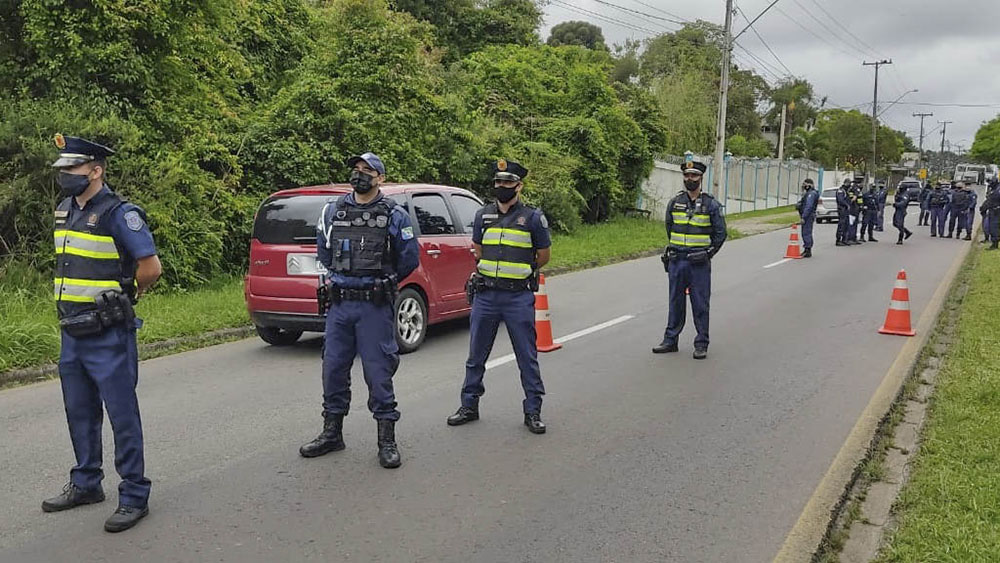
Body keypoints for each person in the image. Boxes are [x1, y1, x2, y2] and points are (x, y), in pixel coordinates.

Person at [44, 134, 162, 533]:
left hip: (108, 333)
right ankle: (86, 483)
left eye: (72, 168)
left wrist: (130, 294)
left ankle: (134, 495)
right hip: (71, 332)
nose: (65, 175)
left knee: (121, 414)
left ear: (96, 170)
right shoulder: (64, 210)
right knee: (79, 411)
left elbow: (150, 266)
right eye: (62, 168)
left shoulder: (119, 213)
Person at [302, 152, 420, 468]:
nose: (360, 174)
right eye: (356, 168)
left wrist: (382, 281)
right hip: (340, 304)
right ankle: (332, 433)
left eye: (368, 170)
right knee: (333, 368)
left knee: (378, 372)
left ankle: (386, 441)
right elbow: (324, 251)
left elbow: (409, 258)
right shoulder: (333, 210)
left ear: (381, 178)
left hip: (374, 306)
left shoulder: (395, 215)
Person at [448, 160, 552, 434]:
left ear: (519, 186)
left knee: (526, 356)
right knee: (476, 356)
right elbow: (478, 249)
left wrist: (519, 270)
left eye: (507, 182)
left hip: (517, 297)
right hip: (486, 296)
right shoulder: (482, 216)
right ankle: (469, 406)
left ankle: (533, 411)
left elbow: (543, 255)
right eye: (498, 182)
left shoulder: (532, 218)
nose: (501, 186)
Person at [652, 161, 727, 360]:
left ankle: (701, 343)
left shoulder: (711, 204)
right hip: (677, 261)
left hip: (698, 263)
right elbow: (669, 228)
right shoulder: (675, 202)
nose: (690, 179)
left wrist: (708, 253)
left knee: (700, 304)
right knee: (675, 302)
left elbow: (720, 233)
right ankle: (670, 340)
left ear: (701, 178)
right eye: (687, 175)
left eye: (694, 176)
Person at [796, 178, 819, 257]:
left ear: (809, 185)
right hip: (808, 215)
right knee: (806, 232)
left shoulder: (811, 194)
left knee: (806, 232)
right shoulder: (808, 193)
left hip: (808, 216)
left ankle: (807, 249)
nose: (803, 186)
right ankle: (807, 248)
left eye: (804, 184)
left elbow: (809, 206)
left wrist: (804, 217)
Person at [982, 180, 1000, 250]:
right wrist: (984, 208)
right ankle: (993, 242)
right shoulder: (994, 190)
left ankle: (995, 244)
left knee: (994, 227)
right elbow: (989, 200)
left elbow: (992, 201)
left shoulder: (997, 191)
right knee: (991, 227)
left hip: (996, 212)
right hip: (992, 211)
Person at [848, 178, 864, 245]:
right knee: (852, 224)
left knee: (853, 223)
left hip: (855, 208)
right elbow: (854, 198)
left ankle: (853, 238)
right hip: (854, 209)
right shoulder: (856, 189)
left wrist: (861, 205)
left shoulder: (851, 188)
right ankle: (851, 238)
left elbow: (859, 199)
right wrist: (858, 206)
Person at [835, 179, 851, 247]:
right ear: (845, 183)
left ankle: (844, 239)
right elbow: (840, 200)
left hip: (846, 210)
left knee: (846, 225)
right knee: (841, 225)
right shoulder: (841, 190)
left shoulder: (846, 190)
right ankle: (838, 240)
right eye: (849, 183)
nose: (850, 185)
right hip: (842, 209)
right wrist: (846, 205)